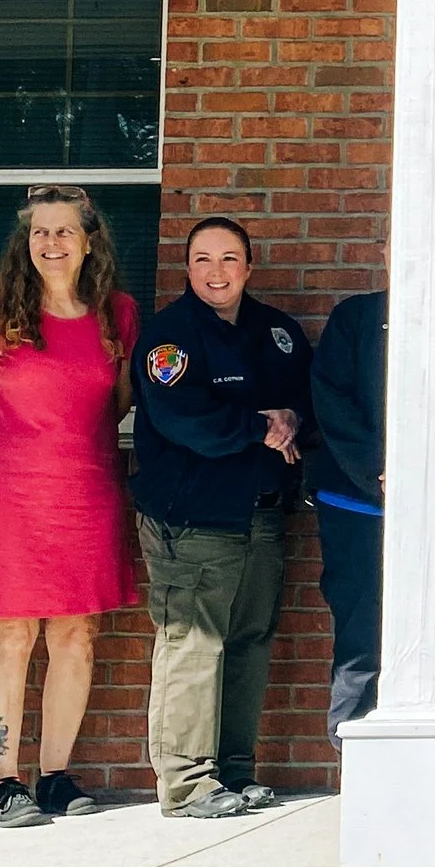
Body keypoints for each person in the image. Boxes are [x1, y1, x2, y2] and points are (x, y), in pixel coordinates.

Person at [0, 186, 140, 827]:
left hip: (87, 491)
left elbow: (114, 404)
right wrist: (21, 456)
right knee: (9, 633)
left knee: (76, 634)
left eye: (64, 232)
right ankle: (3, 784)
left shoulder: (119, 313)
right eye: (40, 233)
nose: (51, 243)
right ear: (25, 243)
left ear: (90, 241)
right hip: (9, 494)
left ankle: (55, 775)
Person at [130, 216, 312, 819]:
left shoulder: (277, 332)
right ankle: (186, 783)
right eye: (203, 260)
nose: (217, 272)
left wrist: (290, 418)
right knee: (193, 644)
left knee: (249, 642)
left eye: (229, 259)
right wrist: (260, 426)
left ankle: (233, 771)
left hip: (261, 512)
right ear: (188, 268)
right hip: (194, 517)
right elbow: (187, 420)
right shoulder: (170, 337)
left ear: (249, 266)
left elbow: (309, 402)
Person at [310, 284, 385, 751]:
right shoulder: (355, 314)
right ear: (386, 251)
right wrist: (378, 467)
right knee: (360, 631)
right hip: (357, 503)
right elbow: (331, 399)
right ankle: (352, 746)